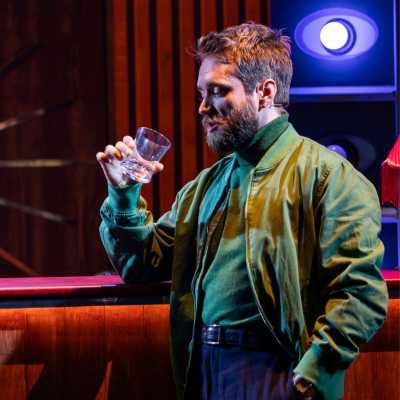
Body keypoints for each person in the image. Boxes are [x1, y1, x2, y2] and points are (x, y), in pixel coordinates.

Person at [96, 23, 388, 400]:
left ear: (264, 91)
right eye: (202, 93)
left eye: (218, 91)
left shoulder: (329, 177)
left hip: (279, 372)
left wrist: (309, 376)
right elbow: (139, 264)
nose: (203, 106)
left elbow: (361, 293)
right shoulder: (207, 185)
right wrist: (123, 195)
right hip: (204, 368)